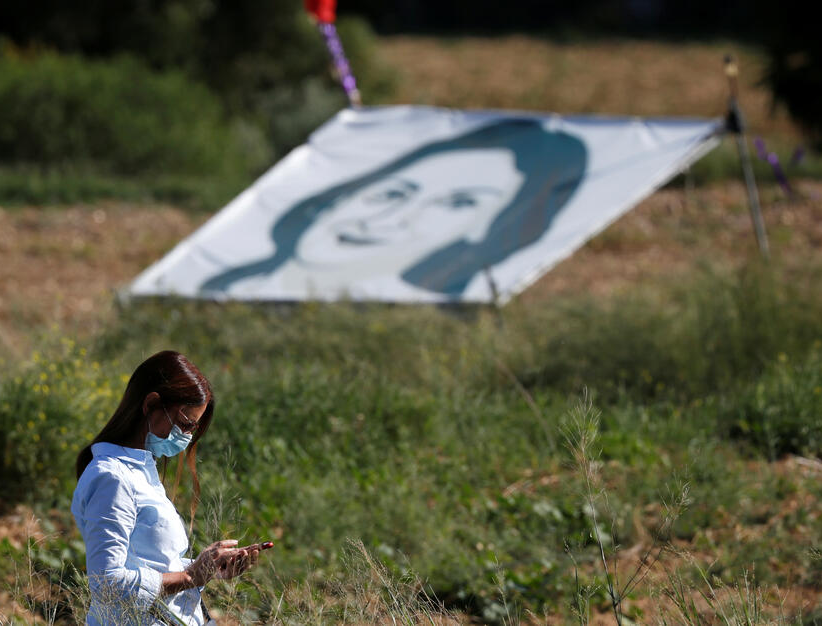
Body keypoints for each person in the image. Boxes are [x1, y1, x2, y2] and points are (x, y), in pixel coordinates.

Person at [198, 117, 588, 300]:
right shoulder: (215, 289)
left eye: (455, 205)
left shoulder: (427, 328)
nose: (385, 221)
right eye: (391, 193)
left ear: (482, 230)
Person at [72, 350, 260, 626]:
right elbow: (106, 584)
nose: (186, 437)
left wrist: (209, 568)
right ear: (151, 404)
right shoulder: (111, 477)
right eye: (185, 424)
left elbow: (150, 563)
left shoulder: (141, 468)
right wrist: (190, 576)